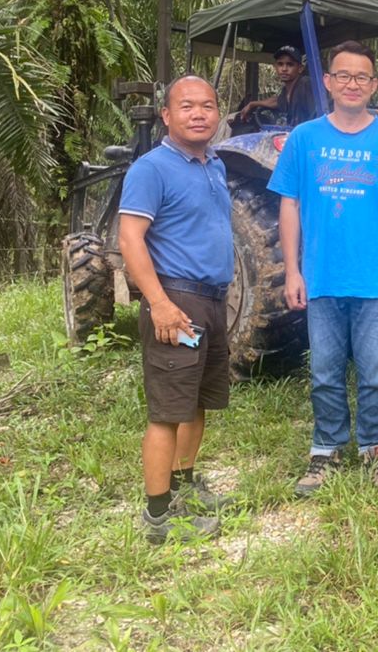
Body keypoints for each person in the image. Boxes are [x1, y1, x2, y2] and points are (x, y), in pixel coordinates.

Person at [268, 40, 378, 498]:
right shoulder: (305, 139)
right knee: (325, 372)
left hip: (375, 279)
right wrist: (292, 271)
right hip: (321, 277)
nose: (353, 84)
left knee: (375, 373)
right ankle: (327, 450)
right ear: (329, 82)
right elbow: (289, 206)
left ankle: (376, 450)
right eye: (344, 76)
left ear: (374, 85)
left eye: (362, 77)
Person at [119, 75, 235, 544]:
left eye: (207, 105)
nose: (199, 113)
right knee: (167, 409)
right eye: (187, 106)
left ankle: (185, 483)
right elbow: (130, 239)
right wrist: (159, 304)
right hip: (176, 300)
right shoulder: (151, 169)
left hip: (210, 299)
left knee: (197, 401)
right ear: (166, 115)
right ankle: (157, 517)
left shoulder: (214, 166)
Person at [233, 45, 316, 128]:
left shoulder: (306, 84)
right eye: (280, 64)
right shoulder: (286, 91)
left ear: (300, 68)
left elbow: (317, 115)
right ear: (275, 67)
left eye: (290, 64)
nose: (284, 69)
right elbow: (276, 102)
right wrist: (252, 104)